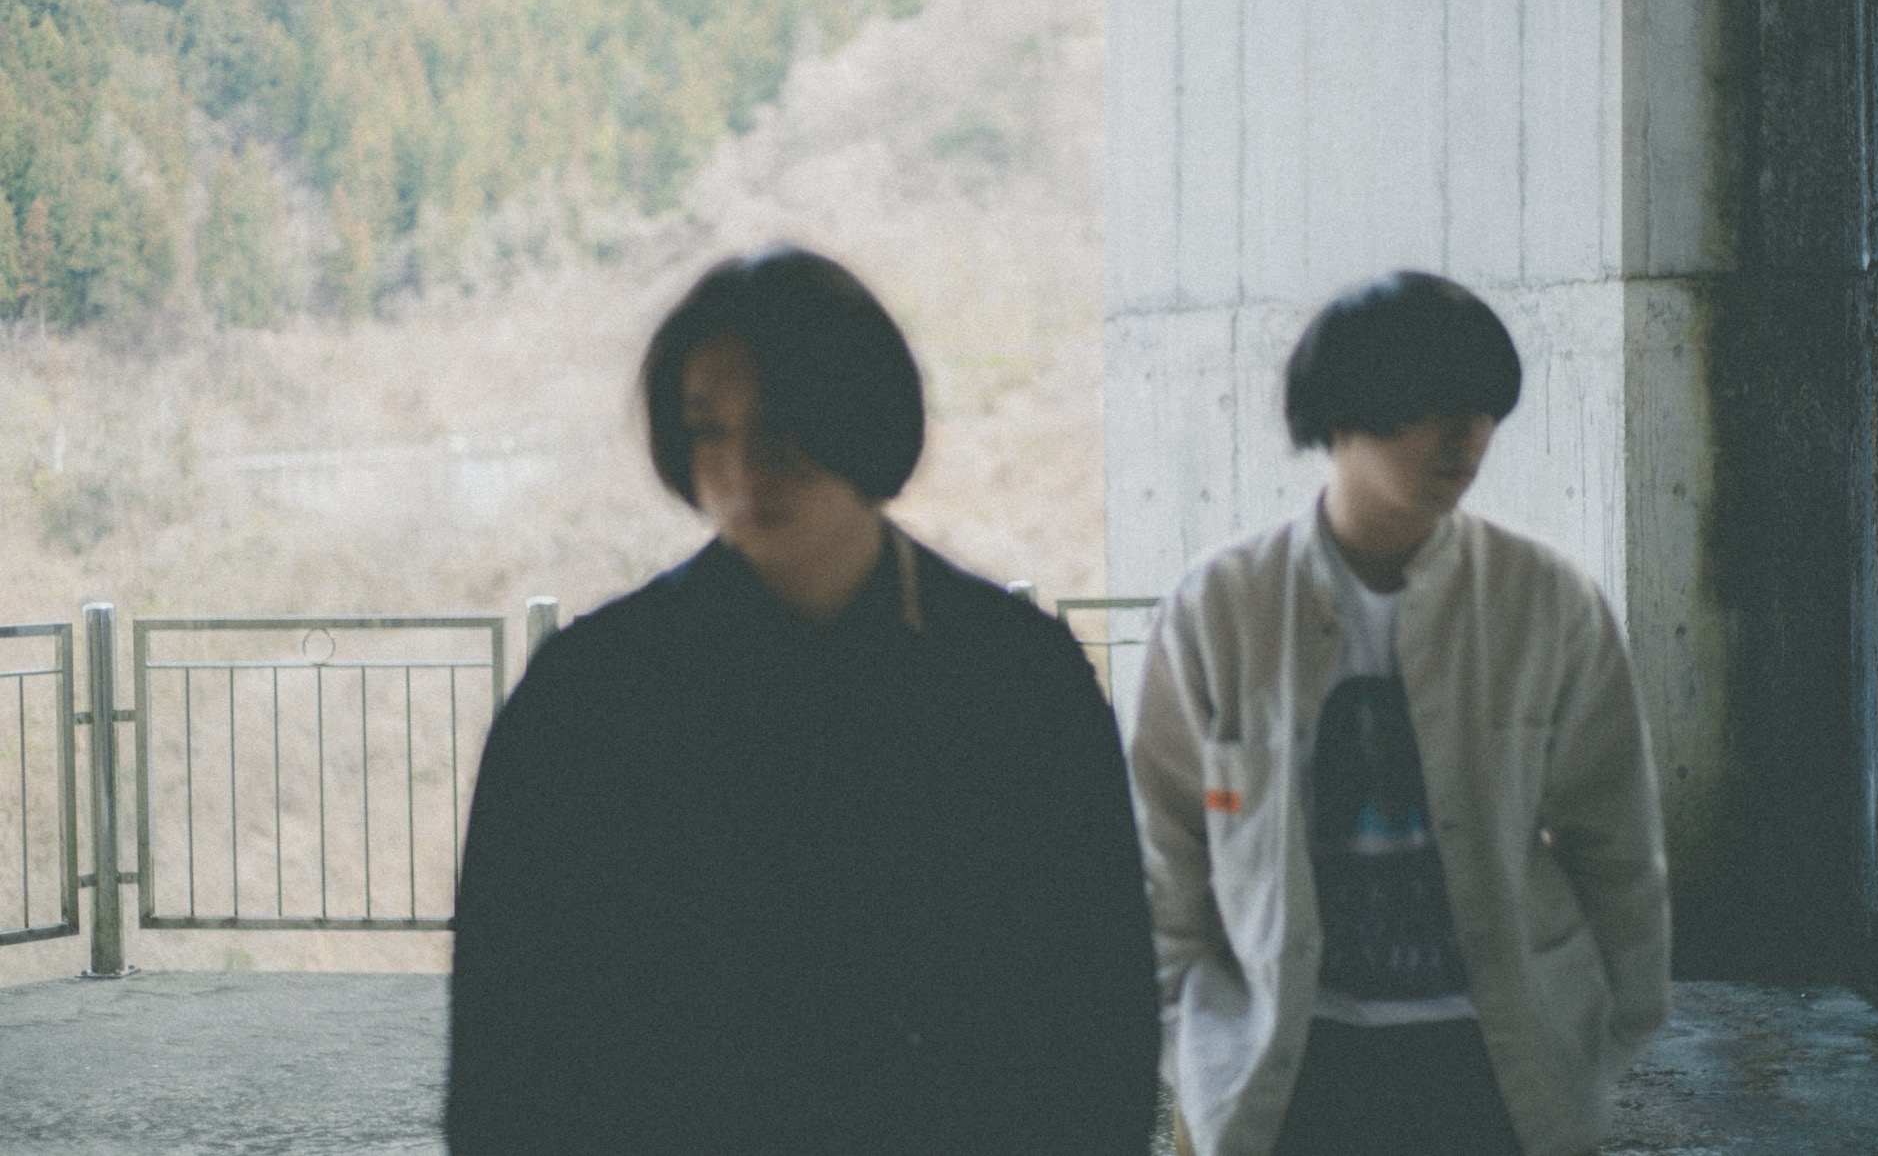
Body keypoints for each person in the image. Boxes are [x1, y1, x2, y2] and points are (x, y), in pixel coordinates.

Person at [446, 244, 1159, 1154]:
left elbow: (1102, 1017)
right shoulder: (589, 699)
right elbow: (506, 1054)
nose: (745, 468)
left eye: (786, 422)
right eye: (708, 428)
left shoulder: (1017, 678)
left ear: (868, 412)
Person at [1119, 272, 1669, 1156]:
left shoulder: (1546, 600)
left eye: (1485, 409)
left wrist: (1613, 1022)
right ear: (1341, 412)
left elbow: (1617, 838)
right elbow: (1164, 846)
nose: (1468, 435)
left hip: (1495, 1058)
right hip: (1289, 1063)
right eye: (1432, 407)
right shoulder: (1222, 605)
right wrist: (1189, 1031)